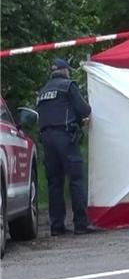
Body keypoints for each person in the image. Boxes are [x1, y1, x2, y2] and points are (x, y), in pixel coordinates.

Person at [36, 58, 96, 236]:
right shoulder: (68, 86)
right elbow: (84, 110)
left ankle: (57, 227)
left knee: (54, 183)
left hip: (46, 140)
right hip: (65, 137)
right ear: (64, 71)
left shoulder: (43, 91)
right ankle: (80, 224)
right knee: (76, 180)